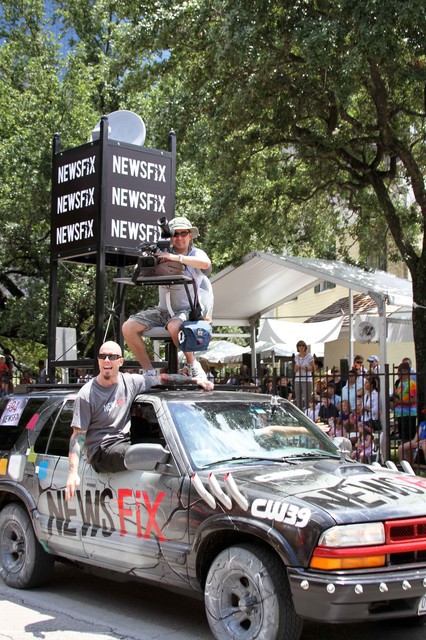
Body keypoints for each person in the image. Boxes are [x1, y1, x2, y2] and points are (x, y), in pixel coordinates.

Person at [65, 340, 213, 501]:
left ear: (120, 361)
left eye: (112, 356)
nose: (107, 360)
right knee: (145, 453)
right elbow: (78, 437)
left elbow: (162, 378)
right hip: (100, 452)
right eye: (103, 356)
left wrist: (194, 380)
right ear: (99, 360)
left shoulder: (130, 382)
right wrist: (73, 473)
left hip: (123, 442)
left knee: (162, 448)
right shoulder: (87, 394)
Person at [122, 216, 212, 381]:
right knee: (128, 327)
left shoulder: (196, 253)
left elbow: (206, 264)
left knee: (173, 327)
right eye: (175, 234)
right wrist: (147, 260)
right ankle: (149, 373)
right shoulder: (162, 251)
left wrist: (175, 258)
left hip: (186, 311)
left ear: (190, 235)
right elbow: (140, 271)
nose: (179, 238)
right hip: (162, 310)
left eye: (183, 233)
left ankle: (193, 364)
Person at [393, 361, 417, 443]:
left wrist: (400, 402)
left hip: (408, 414)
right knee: (402, 437)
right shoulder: (400, 383)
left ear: (406, 371)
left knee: (408, 438)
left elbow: (414, 399)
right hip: (401, 414)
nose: (398, 373)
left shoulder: (411, 384)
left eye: (400, 371)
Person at [293, 340, 314, 409]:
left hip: (307, 379)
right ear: (298, 348)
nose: (301, 347)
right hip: (297, 379)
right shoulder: (296, 357)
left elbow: (313, 368)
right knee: (298, 398)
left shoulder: (309, 356)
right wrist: (296, 368)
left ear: (305, 347)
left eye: (302, 346)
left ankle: (307, 413)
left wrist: (303, 368)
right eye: (299, 346)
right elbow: (295, 370)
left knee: (307, 398)